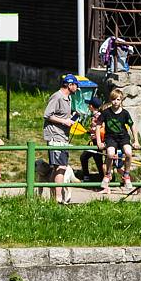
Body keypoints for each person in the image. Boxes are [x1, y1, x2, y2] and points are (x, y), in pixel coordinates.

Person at [43, 74, 79, 204]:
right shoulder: (57, 96)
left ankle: (54, 197)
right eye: (76, 85)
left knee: (58, 167)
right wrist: (64, 121)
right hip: (55, 135)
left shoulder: (67, 99)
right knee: (61, 167)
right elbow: (47, 114)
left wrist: (72, 117)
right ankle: (58, 198)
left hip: (63, 136)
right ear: (70, 85)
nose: (77, 88)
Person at [97, 89, 140, 193]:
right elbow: (98, 126)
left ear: (121, 101)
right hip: (110, 137)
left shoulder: (125, 113)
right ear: (110, 100)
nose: (115, 102)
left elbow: (132, 126)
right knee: (110, 154)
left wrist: (136, 141)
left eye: (118, 99)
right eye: (113, 99)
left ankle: (126, 175)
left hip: (123, 137)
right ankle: (108, 174)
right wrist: (99, 142)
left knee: (128, 152)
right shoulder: (106, 112)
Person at [78, 96, 104, 184]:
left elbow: (100, 128)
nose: (88, 106)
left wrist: (92, 131)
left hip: (96, 142)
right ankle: (102, 178)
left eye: (89, 105)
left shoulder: (98, 116)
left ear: (91, 106)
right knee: (98, 160)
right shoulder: (97, 115)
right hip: (94, 141)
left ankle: (87, 177)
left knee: (84, 157)